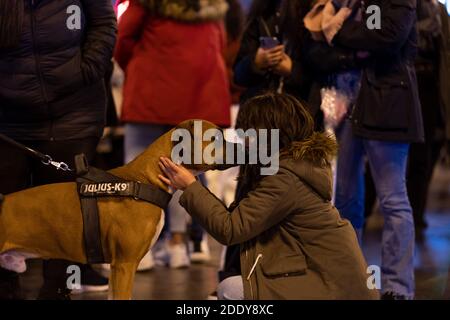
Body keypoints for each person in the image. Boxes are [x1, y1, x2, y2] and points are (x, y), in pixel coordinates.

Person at [158, 93, 379, 300]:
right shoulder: (293, 161)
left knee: (229, 290)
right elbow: (238, 153)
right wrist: (196, 157)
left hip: (331, 288)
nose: (241, 139)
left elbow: (230, 228)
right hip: (330, 282)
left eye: (246, 133)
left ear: (264, 136)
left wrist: (189, 187)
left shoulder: (284, 177)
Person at [0, 0, 117, 299]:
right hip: (9, 121)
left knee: (65, 218)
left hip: (73, 116)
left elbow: (104, 23)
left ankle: (59, 292)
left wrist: (86, 70)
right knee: (4, 217)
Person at [114, 0, 231, 269]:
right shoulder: (212, 7)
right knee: (183, 170)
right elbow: (220, 47)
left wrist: (143, 66)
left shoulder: (146, 4)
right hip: (198, 96)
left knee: (139, 168)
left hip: (150, 92)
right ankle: (179, 244)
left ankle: (139, 249)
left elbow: (122, 39)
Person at [331, 0, 424, 299]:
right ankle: (351, 280)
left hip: (386, 102)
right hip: (353, 101)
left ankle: (397, 287)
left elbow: (383, 36)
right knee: (345, 199)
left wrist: (339, 30)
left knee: (392, 200)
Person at [233, 0, 320, 125]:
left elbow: (321, 77)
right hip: (259, 117)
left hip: (296, 120)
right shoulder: (261, 14)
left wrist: (292, 70)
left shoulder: (312, 16)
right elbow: (238, 75)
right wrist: (256, 62)